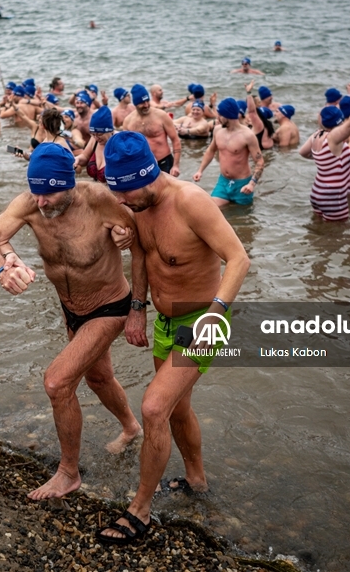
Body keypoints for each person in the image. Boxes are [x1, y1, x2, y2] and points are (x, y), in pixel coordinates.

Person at [95, 132, 250, 545]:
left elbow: (238, 258)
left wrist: (216, 315)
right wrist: (137, 308)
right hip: (164, 323)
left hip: (203, 321)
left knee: (153, 407)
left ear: (149, 176)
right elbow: (144, 254)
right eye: (118, 194)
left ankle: (139, 510)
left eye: (128, 193)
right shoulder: (136, 202)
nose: (124, 203)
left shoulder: (189, 201)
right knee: (177, 408)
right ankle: (196, 481)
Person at [0, 144, 145, 500]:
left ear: (69, 184)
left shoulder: (98, 200)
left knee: (57, 382)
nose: (41, 202)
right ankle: (131, 428)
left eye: (49, 192)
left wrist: (138, 305)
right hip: (71, 309)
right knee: (98, 378)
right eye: (36, 192)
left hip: (109, 306)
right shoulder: (31, 202)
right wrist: (4, 266)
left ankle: (68, 473)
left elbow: (144, 243)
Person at [299, 87, 350, 221]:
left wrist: (325, 158)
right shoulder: (333, 137)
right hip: (333, 196)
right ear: (339, 122)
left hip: (317, 192)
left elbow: (303, 153)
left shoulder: (316, 134)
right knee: (336, 236)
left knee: (318, 229)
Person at [193, 97, 264, 207]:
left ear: (227, 116)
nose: (218, 117)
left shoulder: (248, 136)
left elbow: (259, 162)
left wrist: (251, 184)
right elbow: (210, 151)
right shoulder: (217, 130)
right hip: (223, 182)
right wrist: (200, 171)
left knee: (242, 219)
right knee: (210, 209)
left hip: (242, 185)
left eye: (220, 115)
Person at [121, 84, 181, 177]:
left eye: (147, 101)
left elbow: (175, 140)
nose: (146, 105)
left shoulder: (161, 115)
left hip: (164, 162)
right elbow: (127, 148)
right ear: (135, 104)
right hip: (143, 165)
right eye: (142, 103)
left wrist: (176, 165)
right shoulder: (128, 121)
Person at [73, 106, 113, 181]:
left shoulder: (119, 142)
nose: (96, 138)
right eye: (93, 134)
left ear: (110, 130)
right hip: (97, 189)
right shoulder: (94, 140)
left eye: (99, 134)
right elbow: (85, 156)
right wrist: (77, 159)